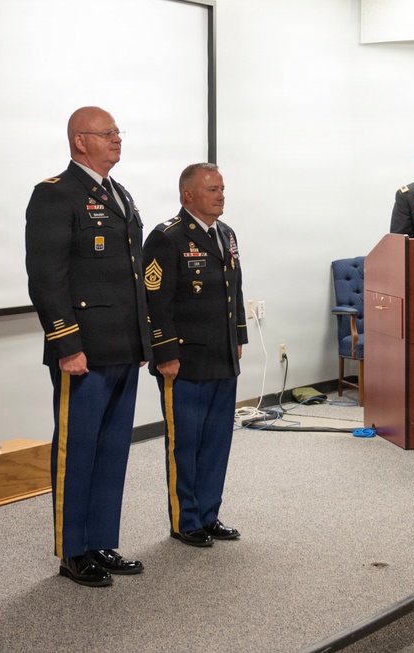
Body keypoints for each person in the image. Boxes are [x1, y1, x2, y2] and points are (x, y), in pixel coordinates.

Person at [25, 106, 150, 587]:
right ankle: (72, 551)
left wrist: (142, 338)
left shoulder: (119, 194)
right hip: (83, 351)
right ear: (80, 141)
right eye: (107, 133)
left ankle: (102, 541)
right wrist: (66, 344)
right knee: (77, 450)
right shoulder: (55, 194)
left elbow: (133, 276)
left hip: (122, 346)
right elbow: (47, 278)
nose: (118, 139)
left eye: (118, 132)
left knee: (113, 449)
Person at [142, 162, 247, 548]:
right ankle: (185, 521)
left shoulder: (227, 234)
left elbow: (233, 288)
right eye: (212, 190)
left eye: (222, 188)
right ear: (188, 195)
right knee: (184, 444)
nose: (221, 195)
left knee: (217, 442)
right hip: (183, 362)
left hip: (222, 356)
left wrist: (237, 337)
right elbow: (155, 302)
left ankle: (209, 514)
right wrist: (164, 353)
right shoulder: (166, 238)